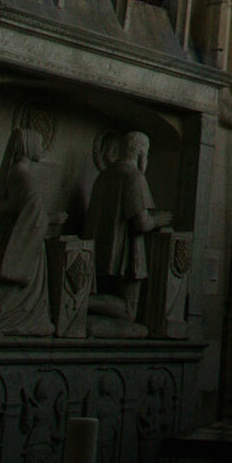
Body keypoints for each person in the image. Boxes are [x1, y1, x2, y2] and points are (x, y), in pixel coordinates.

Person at [0, 124, 63, 336]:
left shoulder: (15, 172)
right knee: (13, 302)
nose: (40, 148)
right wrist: (55, 219)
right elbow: (33, 213)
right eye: (38, 144)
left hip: (6, 234)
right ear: (28, 147)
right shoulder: (23, 175)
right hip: (14, 238)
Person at [85, 130, 173, 323]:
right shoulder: (134, 176)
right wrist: (161, 219)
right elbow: (142, 223)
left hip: (102, 254)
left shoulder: (104, 175)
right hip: (124, 257)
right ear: (141, 154)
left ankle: (87, 311)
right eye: (146, 154)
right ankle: (82, 301)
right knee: (129, 311)